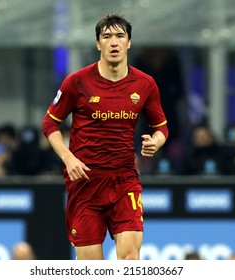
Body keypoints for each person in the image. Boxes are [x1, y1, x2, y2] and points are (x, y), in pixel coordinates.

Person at [41, 13, 168, 260]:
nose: (114, 42)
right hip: (85, 183)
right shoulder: (76, 82)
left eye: (120, 36)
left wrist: (156, 142)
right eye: (107, 37)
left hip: (124, 180)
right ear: (98, 44)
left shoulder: (145, 84)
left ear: (129, 42)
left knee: (131, 259)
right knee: (91, 268)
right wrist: (69, 159)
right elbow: (49, 123)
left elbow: (161, 127)